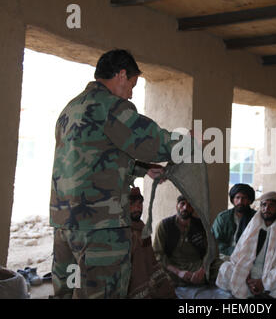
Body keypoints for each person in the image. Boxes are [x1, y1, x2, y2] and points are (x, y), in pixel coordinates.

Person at [50, 49, 184, 298]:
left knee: (66, 292)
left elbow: (94, 157)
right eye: (132, 84)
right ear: (121, 75)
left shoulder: (71, 109)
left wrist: (144, 169)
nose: (131, 92)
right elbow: (151, 141)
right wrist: (188, 145)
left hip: (65, 226)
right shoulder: (110, 106)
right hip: (100, 228)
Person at [215, 191, 276, 299]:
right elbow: (241, 253)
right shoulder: (253, 225)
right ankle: (253, 288)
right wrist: (246, 274)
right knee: (225, 268)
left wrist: (263, 282)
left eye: (271, 205)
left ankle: (264, 289)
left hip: (272, 274)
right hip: (251, 271)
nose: (266, 208)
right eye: (264, 205)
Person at [153, 196, 223, 287]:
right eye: (182, 204)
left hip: (198, 266)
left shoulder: (201, 225)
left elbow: (212, 250)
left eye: (190, 205)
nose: (185, 208)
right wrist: (178, 272)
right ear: (177, 206)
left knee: (223, 268)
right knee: (155, 274)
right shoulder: (164, 225)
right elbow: (158, 254)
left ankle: (199, 279)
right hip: (173, 267)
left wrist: (202, 270)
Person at [127, 187, 176, 299]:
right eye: (132, 203)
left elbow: (152, 264)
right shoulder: (121, 234)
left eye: (140, 203)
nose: (138, 207)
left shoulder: (143, 231)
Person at [212, 184, 257, 258]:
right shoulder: (223, 217)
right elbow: (216, 242)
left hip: (248, 256)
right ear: (233, 199)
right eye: (237, 197)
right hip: (225, 254)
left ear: (250, 200)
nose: (240, 201)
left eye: (244, 198)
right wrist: (233, 251)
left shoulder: (256, 217)